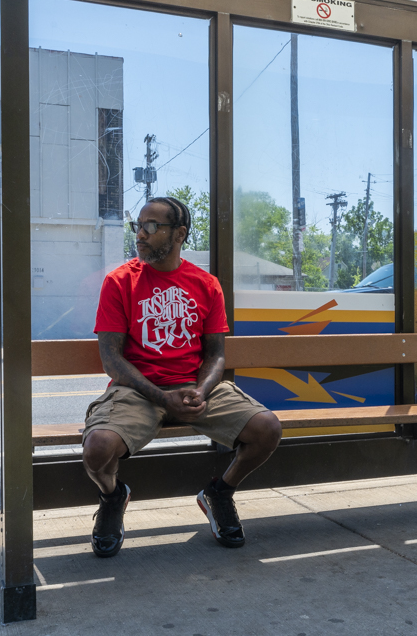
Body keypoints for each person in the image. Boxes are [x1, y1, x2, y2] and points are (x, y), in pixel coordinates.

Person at [82, 196, 282, 558]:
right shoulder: (120, 281)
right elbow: (111, 360)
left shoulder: (205, 284)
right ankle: (112, 497)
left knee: (267, 429)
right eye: (138, 226)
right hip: (138, 391)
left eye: (151, 226)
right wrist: (162, 397)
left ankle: (219, 493)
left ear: (179, 234)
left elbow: (215, 354)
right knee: (97, 449)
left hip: (193, 388)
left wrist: (202, 391)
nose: (140, 234)